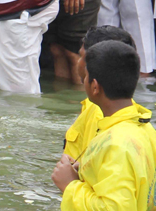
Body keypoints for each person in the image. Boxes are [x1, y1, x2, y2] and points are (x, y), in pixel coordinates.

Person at [54, 40, 156, 211]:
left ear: (95, 86)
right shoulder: (146, 130)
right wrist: (86, 170)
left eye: (86, 76)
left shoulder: (115, 143)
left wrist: (70, 186)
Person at [64, 26, 150, 160]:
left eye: (81, 56)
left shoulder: (101, 114)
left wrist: (71, 174)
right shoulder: (110, 104)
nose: (78, 62)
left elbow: (91, 166)